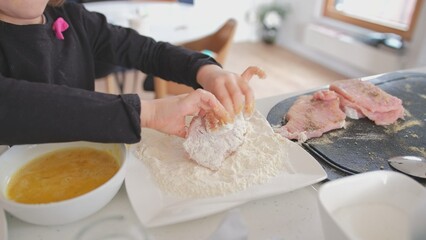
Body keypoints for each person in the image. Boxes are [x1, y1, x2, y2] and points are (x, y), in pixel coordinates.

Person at [0, 0, 264, 145]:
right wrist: (146, 113)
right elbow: (15, 105)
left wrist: (205, 70)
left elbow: (147, 51)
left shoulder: (73, 16)